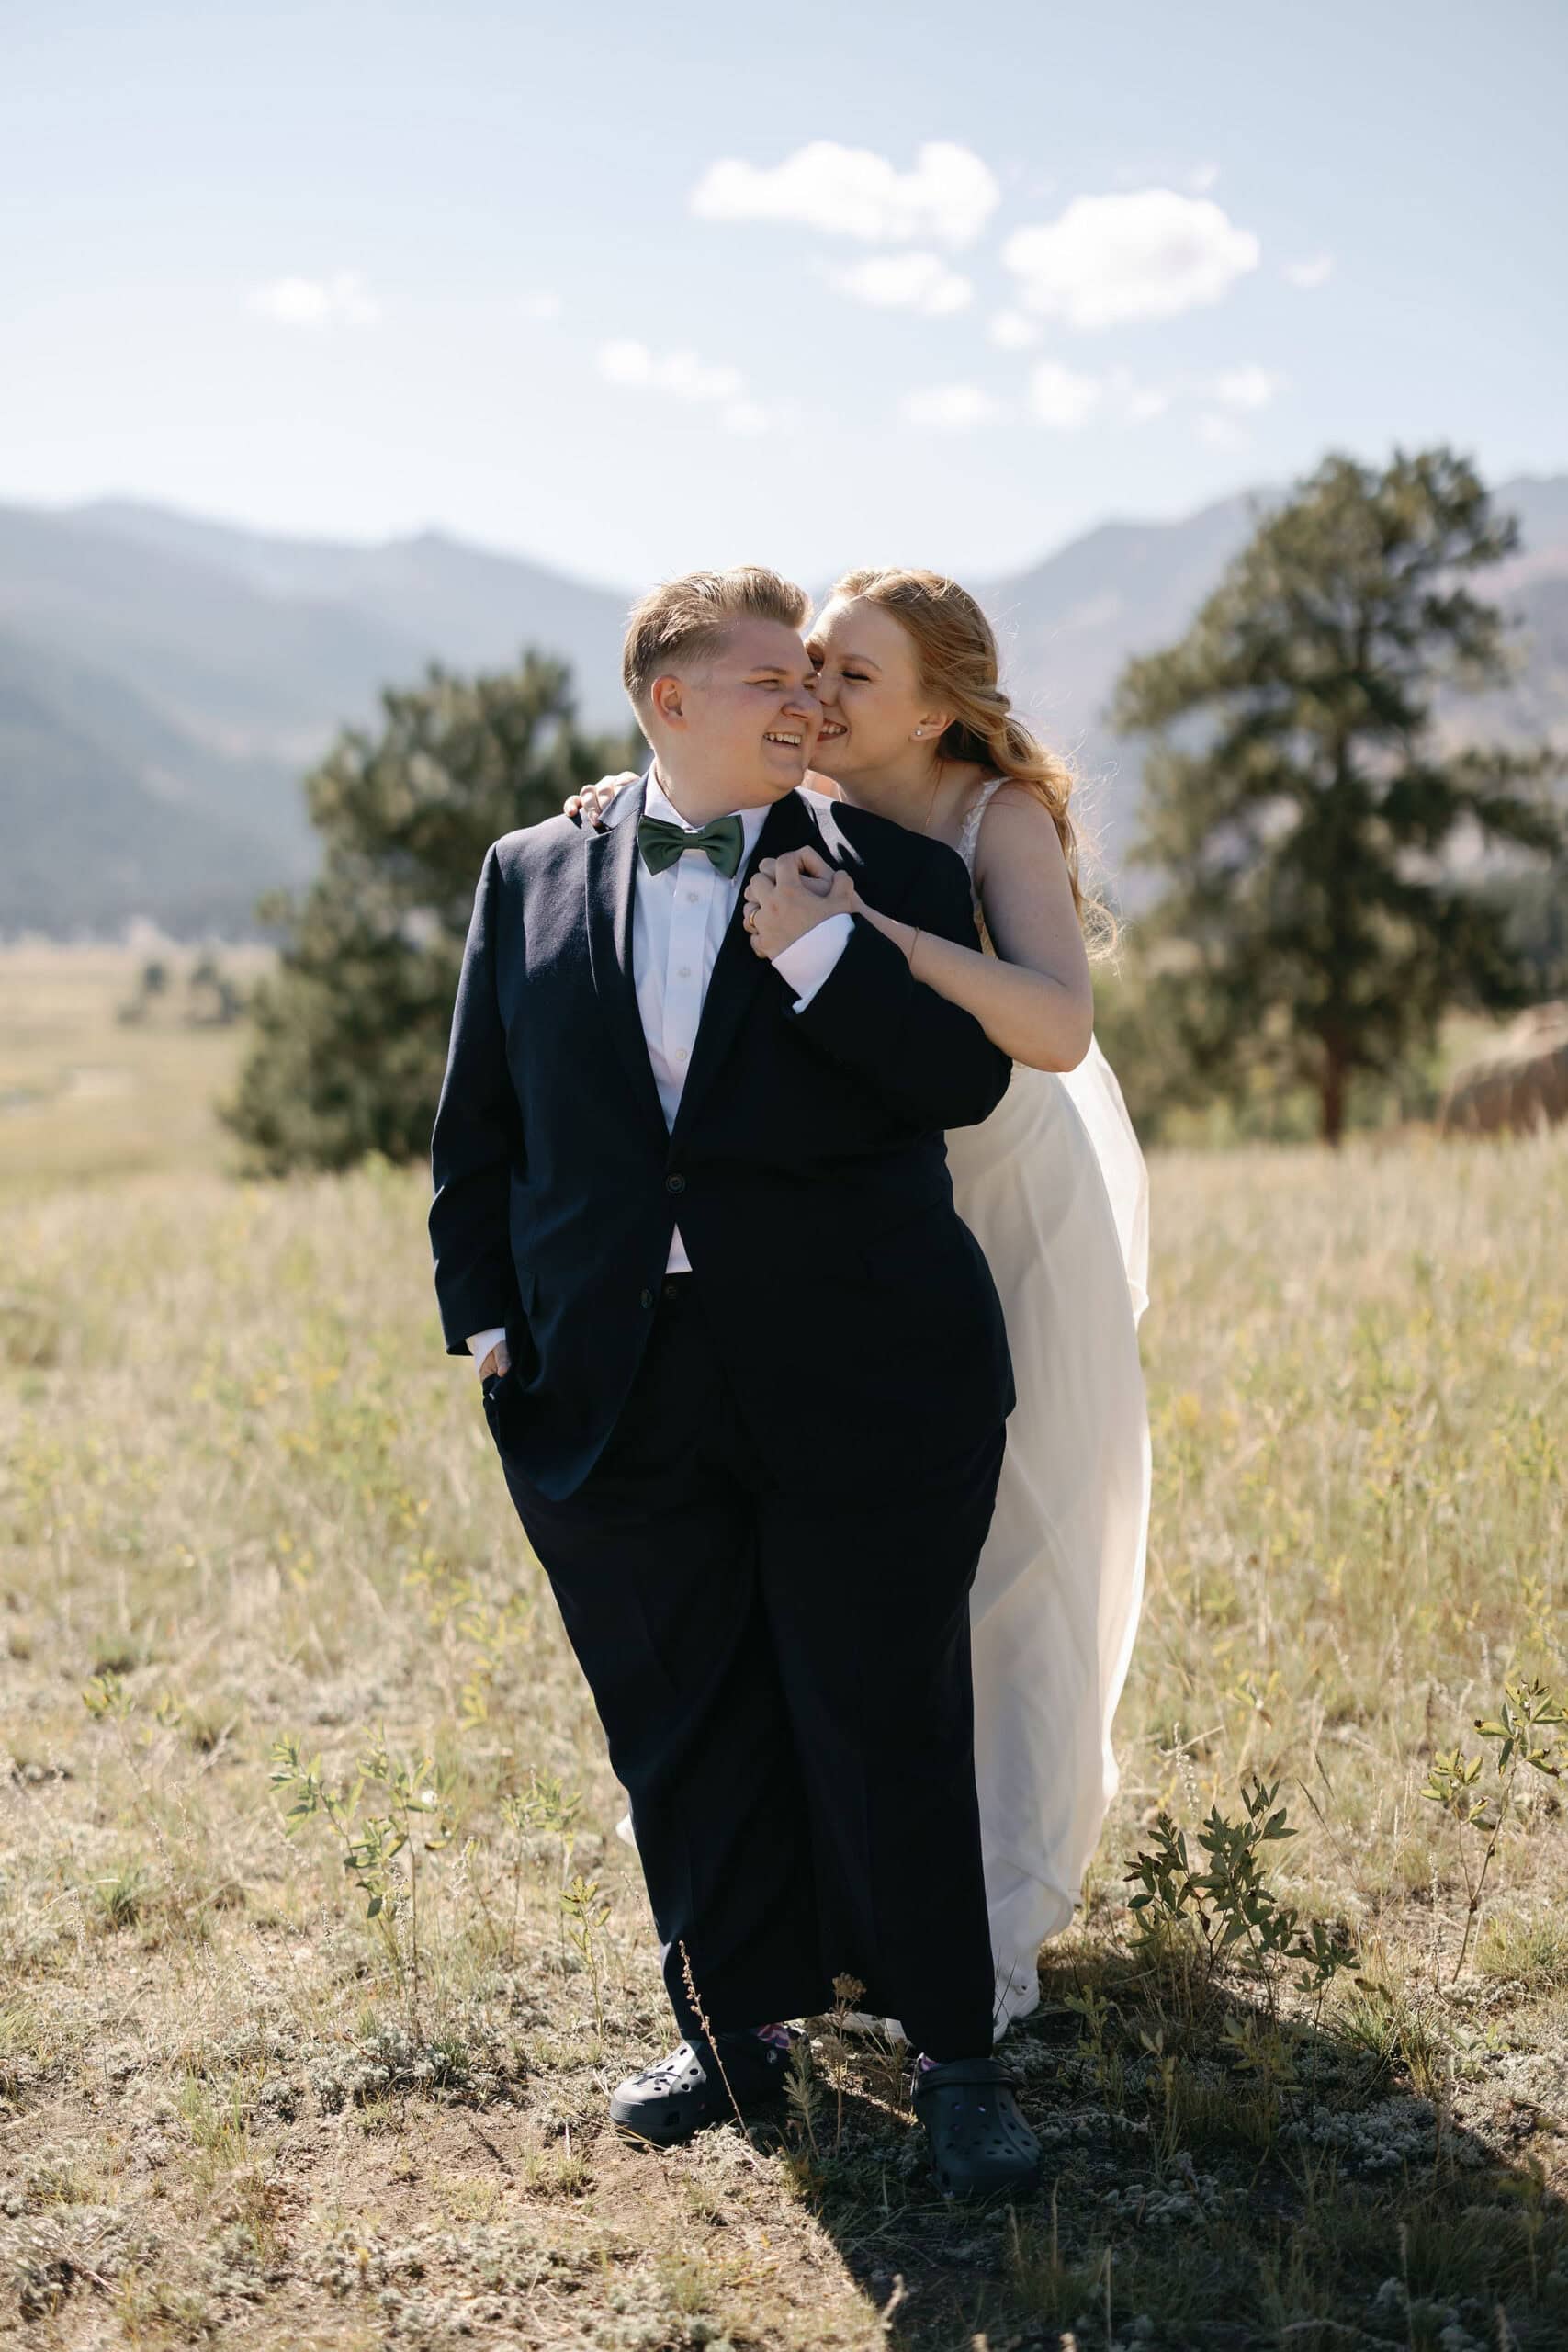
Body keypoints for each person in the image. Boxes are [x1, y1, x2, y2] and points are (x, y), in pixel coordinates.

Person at [430, 564, 1043, 2196]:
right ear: (667, 699)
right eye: (772, 679)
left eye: (818, 681)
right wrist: (487, 1323)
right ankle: (738, 2036)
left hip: (867, 1372)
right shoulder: (528, 872)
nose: (808, 705)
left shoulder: (887, 863)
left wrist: (831, 960)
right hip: (612, 1374)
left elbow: (966, 1079)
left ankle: (956, 2058)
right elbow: (480, 1121)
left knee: (882, 1707)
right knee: (683, 1718)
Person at [570, 566, 1151, 2041]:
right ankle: (837, 1917)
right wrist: (622, 797)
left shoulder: (987, 815)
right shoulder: (789, 793)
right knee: (856, 1599)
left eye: (852, 678)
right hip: (841, 1203)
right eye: (809, 665)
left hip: (995, 1182)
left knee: (1007, 1550)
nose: (815, 696)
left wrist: (865, 938)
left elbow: (1059, 1024)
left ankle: (991, 1911)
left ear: (941, 708)